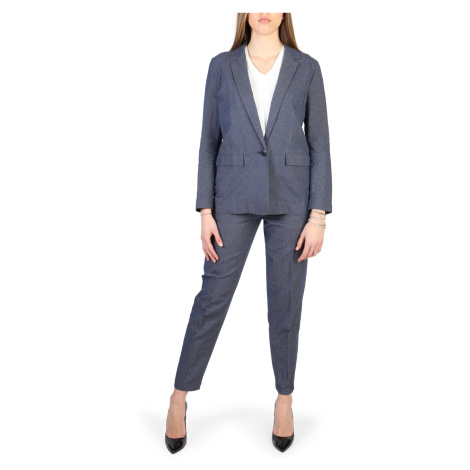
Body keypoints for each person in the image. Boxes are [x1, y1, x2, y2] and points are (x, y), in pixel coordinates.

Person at [165, 12, 332, 453]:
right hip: (232, 198)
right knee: (212, 299)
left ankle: (284, 399)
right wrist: (205, 209)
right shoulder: (221, 66)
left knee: (286, 304)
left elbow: (319, 143)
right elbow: (208, 141)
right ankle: (179, 396)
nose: (264, 9)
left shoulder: (307, 67)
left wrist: (318, 216)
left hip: (292, 201)